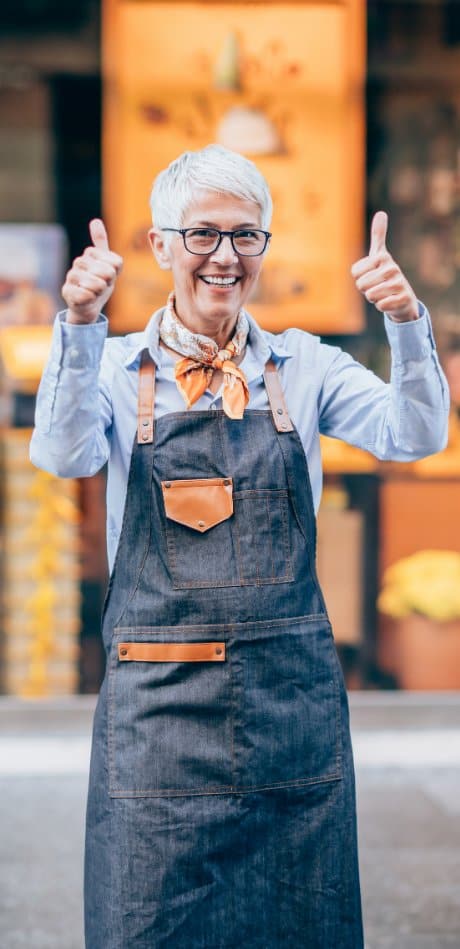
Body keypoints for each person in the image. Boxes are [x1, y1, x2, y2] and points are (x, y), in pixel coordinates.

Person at [30, 144, 449, 948]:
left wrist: (405, 319)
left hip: (287, 711)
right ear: (160, 246)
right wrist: (79, 327)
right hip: (159, 717)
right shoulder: (116, 367)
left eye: (245, 236)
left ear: (263, 244)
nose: (225, 257)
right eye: (203, 235)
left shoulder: (308, 364)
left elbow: (415, 432)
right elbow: (64, 455)